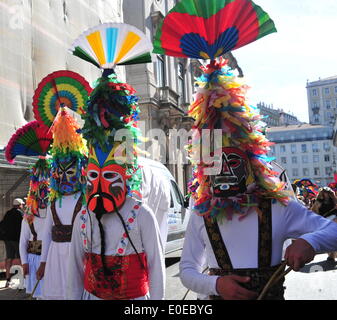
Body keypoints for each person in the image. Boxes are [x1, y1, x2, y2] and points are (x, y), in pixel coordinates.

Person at [178, 59, 337, 300]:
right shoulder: (203, 212)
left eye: (231, 161)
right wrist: (217, 285)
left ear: (251, 161)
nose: (223, 171)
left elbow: (333, 230)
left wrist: (311, 241)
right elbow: (187, 270)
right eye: (214, 162)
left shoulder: (277, 206)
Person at [66, 28, 165, 299]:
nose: (99, 185)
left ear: (127, 172)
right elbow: (74, 268)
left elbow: (157, 267)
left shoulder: (142, 214)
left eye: (110, 176)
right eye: (93, 176)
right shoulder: (84, 216)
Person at [36, 107, 87, 300]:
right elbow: (47, 234)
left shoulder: (84, 200)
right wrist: (43, 262)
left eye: (70, 171)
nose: (65, 177)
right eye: (60, 171)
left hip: (78, 258)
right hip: (55, 258)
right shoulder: (53, 201)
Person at [19, 158, 50, 298]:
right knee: (37, 294)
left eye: (46, 197)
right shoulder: (28, 218)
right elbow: (23, 242)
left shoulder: (53, 214)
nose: (43, 201)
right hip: (34, 260)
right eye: (40, 197)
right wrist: (24, 262)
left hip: (50, 259)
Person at [0, 198, 24, 287]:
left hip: (8, 240)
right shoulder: (21, 213)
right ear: (20, 205)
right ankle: (24, 279)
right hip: (17, 240)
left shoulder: (8, 213)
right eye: (22, 204)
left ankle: (8, 279)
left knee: (9, 258)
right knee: (22, 258)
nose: (23, 206)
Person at [310, 187, 337, 262]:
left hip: (334, 220)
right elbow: (314, 212)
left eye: (328, 192)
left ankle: (332, 255)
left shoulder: (334, 200)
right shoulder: (318, 201)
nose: (326, 194)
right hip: (324, 222)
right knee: (328, 239)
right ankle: (331, 254)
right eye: (325, 192)